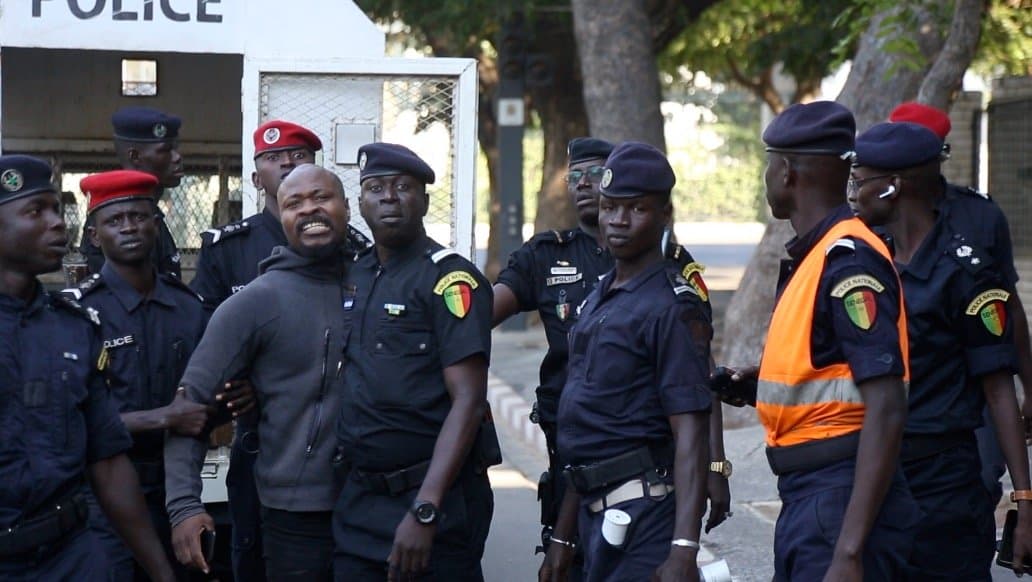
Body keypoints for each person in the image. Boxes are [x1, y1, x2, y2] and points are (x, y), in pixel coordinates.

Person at [494, 138, 730, 568]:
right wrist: (563, 540)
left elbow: (691, 425)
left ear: (663, 215)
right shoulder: (600, 295)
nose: (618, 220)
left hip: (642, 511)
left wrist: (683, 549)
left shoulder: (672, 304)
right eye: (611, 207)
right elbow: (586, 436)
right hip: (584, 502)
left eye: (636, 209)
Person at [717, 102, 918, 580]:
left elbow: (887, 403)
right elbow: (831, 373)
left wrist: (848, 552)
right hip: (813, 496)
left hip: (837, 500)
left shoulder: (848, 262)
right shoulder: (818, 254)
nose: (765, 177)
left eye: (768, 164)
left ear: (786, 172)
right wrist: (757, 385)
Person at [849, 121, 1032, 579]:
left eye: (860, 180)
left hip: (944, 482)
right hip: (872, 475)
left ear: (893, 187)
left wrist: (1025, 501)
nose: (852, 192)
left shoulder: (966, 273)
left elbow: (998, 391)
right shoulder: (861, 262)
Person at [189, 119, 367, 582]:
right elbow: (210, 348)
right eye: (274, 158)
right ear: (258, 180)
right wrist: (240, 385)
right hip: (268, 449)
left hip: (358, 477)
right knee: (252, 552)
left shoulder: (367, 264)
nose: (287, 163)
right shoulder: (232, 249)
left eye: (299, 157)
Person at [0, 155, 174, 581]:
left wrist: (161, 572)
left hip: (72, 557)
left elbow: (108, 462)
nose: (58, 222)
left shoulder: (73, 328)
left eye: (57, 209)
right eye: (35, 211)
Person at [333, 143, 495, 581]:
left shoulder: (449, 279)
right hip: (358, 503)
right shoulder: (355, 273)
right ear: (360, 202)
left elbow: (469, 402)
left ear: (424, 200)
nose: (389, 197)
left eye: (403, 187)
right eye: (375, 187)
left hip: (431, 502)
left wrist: (426, 509)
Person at [63, 170, 215, 581]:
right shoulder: (75, 315)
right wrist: (166, 417)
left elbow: (209, 402)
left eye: (138, 216)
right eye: (115, 221)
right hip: (102, 498)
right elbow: (73, 419)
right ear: (95, 236)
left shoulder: (189, 308)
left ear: (156, 224)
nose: (129, 227)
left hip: (178, 488)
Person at [890, 101, 1032, 507]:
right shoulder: (873, 219)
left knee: (981, 479)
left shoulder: (981, 216)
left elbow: (1007, 305)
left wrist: (1030, 387)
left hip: (974, 383)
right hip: (897, 390)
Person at [79, 107, 185, 278]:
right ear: (135, 156)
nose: (177, 157)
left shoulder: (151, 213)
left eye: (176, 149)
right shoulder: (116, 221)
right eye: (165, 150)